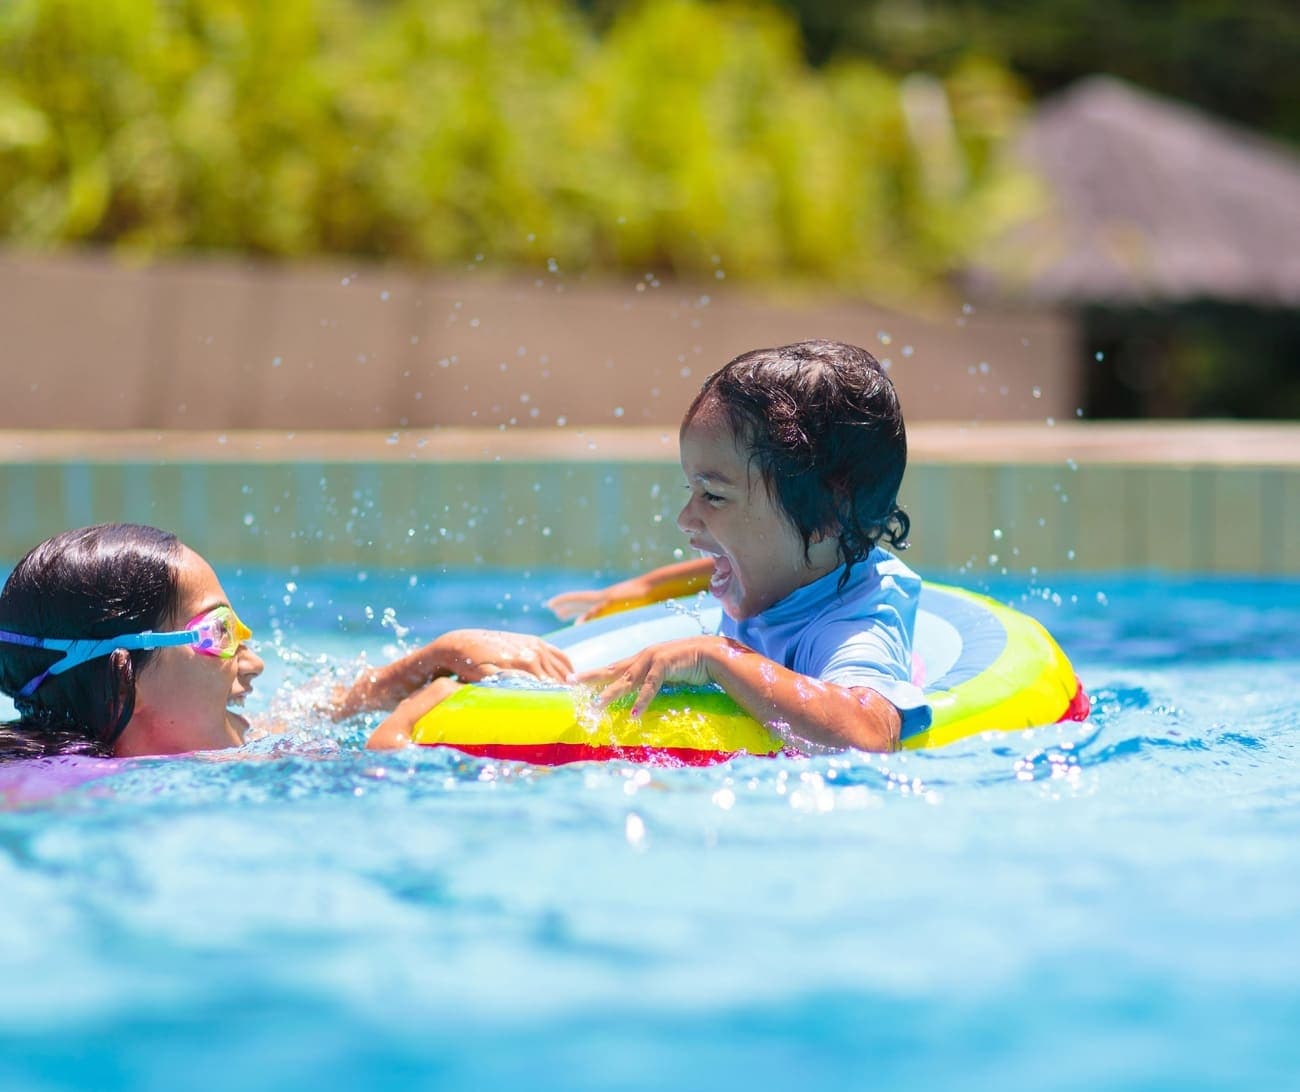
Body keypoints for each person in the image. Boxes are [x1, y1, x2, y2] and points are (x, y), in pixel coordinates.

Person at [557, 339, 932, 753]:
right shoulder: (795, 565)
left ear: (825, 517)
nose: (685, 519)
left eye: (713, 496)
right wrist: (645, 590)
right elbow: (723, 565)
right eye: (691, 491)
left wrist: (717, 657)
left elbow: (869, 736)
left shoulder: (851, 629)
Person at [0, 523, 571, 758]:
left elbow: (297, 723)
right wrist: (413, 720)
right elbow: (369, 794)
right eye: (219, 633)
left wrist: (425, 664)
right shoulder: (103, 801)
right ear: (124, 675)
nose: (254, 662)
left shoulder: (123, 750)